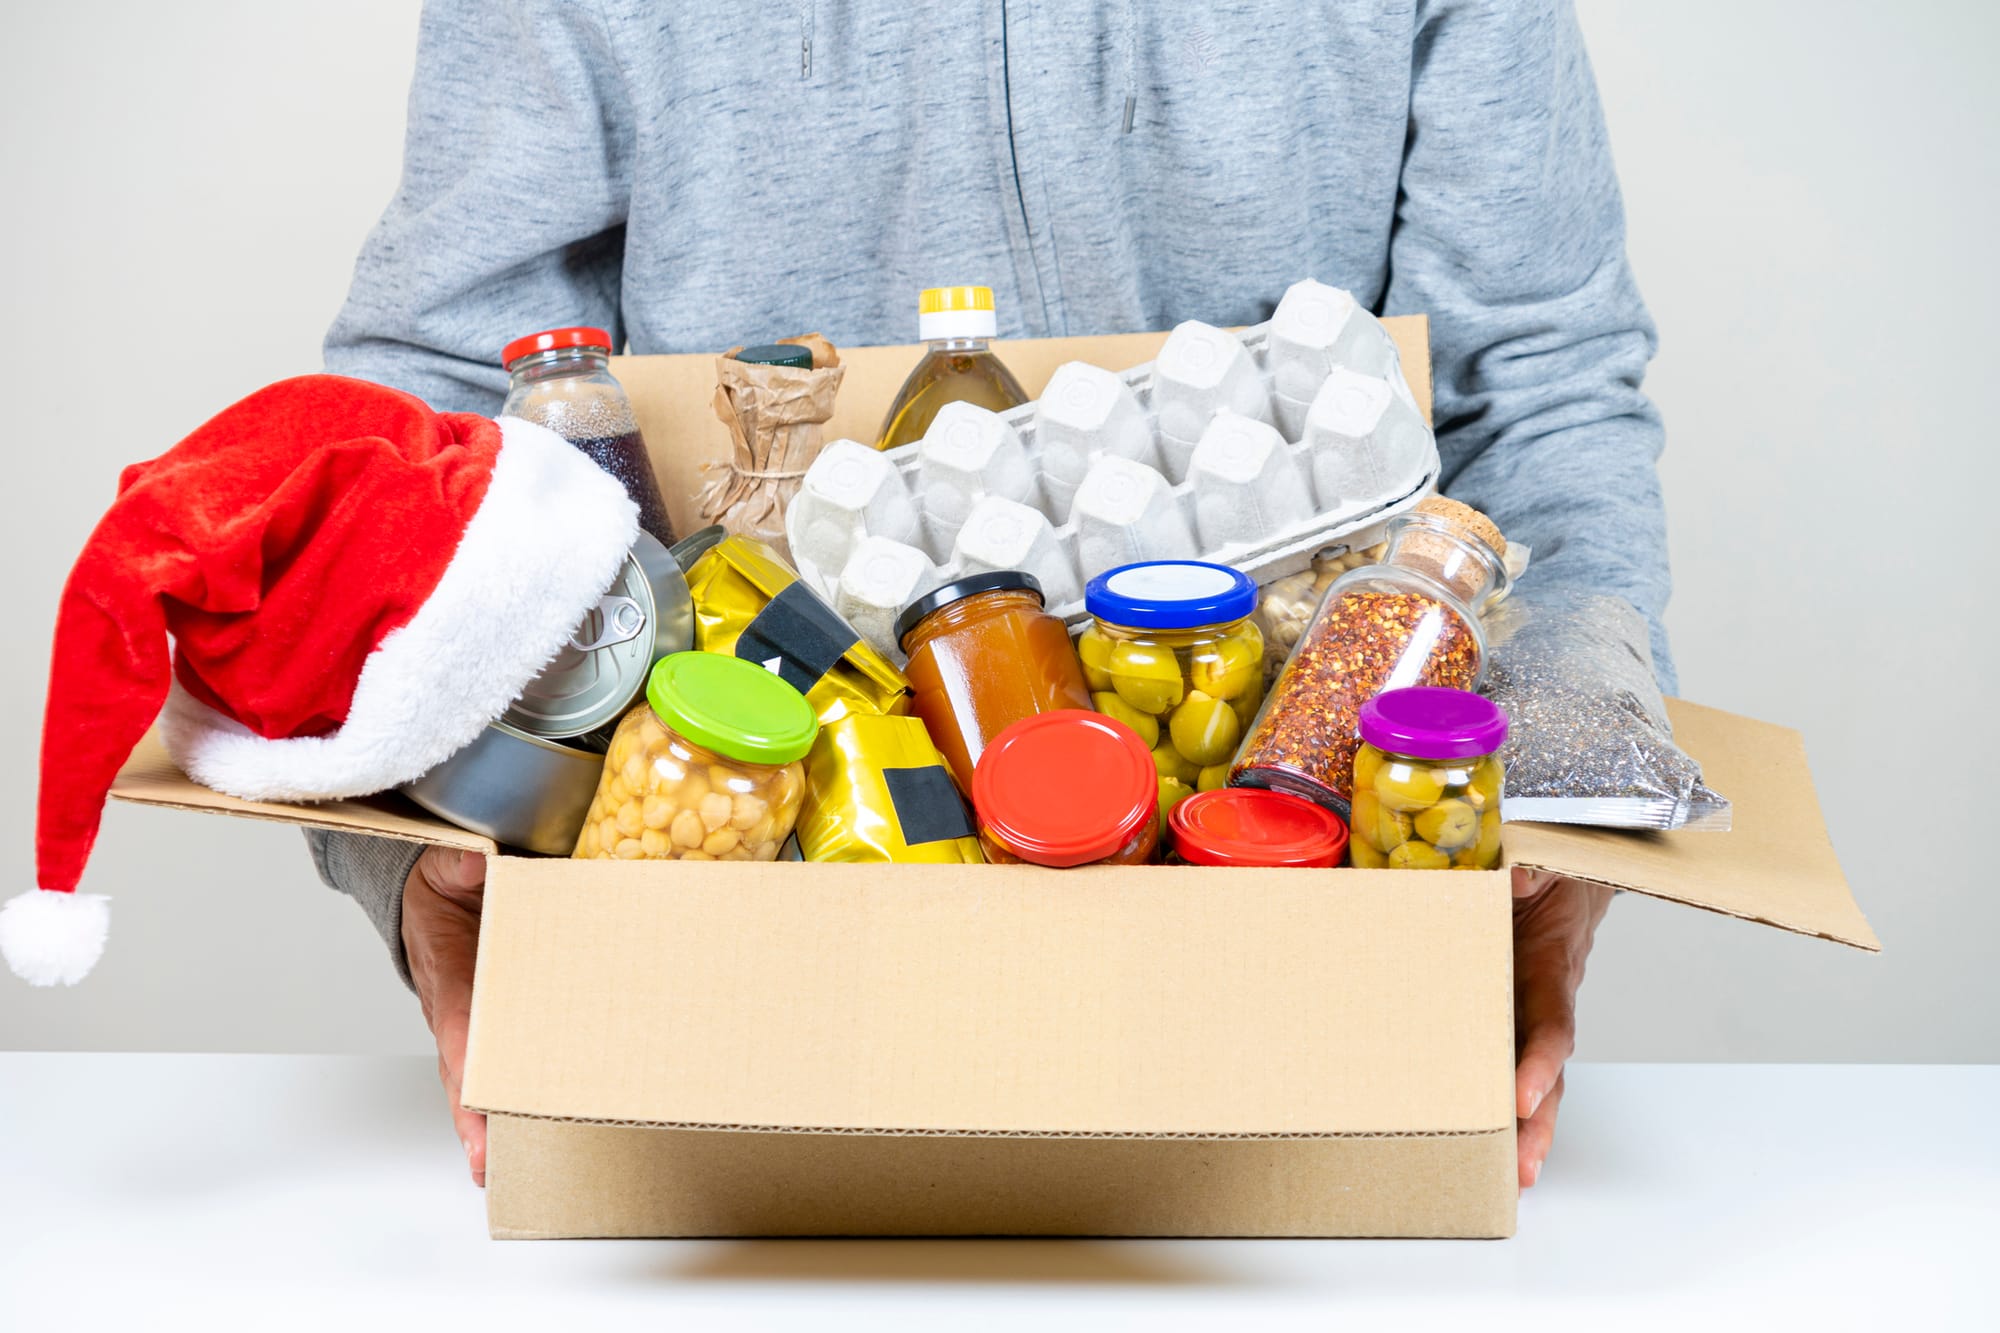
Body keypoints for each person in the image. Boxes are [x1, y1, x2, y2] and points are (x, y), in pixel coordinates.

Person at [314, 0, 1657, 1192]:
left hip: (1285, 1011)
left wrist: (1563, 804)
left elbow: (1535, 393)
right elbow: (419, 420)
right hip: (742, 1020)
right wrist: (409, 858)